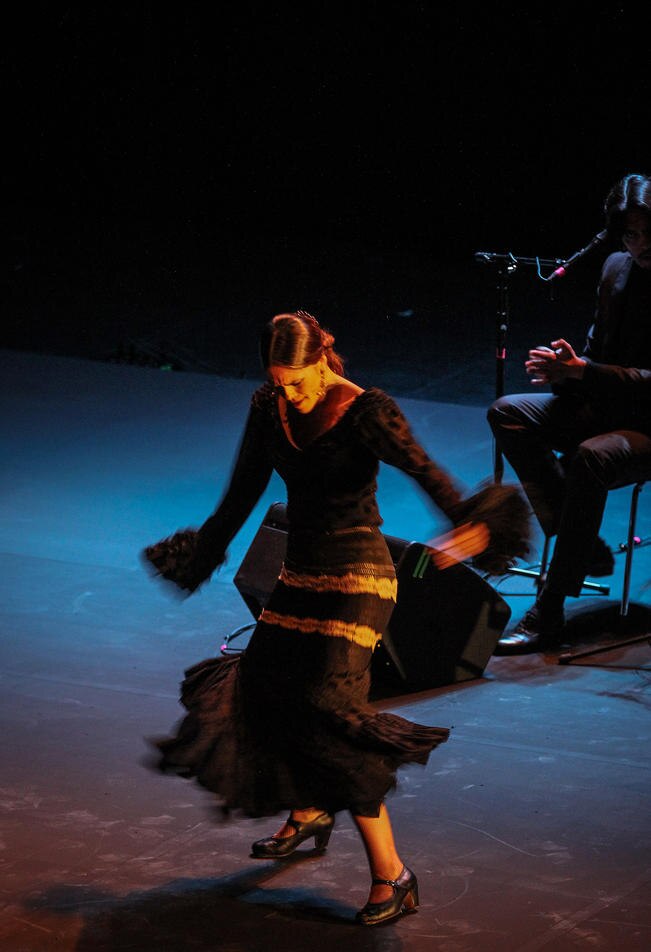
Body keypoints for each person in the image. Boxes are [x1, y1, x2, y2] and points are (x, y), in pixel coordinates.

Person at [143, 310, 530, 926]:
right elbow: (241, 492)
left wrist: (473, 523)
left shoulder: (364, 409)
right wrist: (201, 554)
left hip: (360, 580)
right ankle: (310, 810)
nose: (288, 393)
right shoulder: (269, 405)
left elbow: (425, 469)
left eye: (296, 381)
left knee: (329, 710)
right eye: (278, 381)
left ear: (322, 359)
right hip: (300, 574)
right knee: (265, 687)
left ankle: (392, 875)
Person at [488, 172, 651, 654]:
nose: (640, 244)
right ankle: (583, 545)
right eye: (631, 234)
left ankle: (551, 608)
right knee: (508, 412)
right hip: (603, 405)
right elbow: (597, 349)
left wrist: (587, 372)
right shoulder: (616, 269)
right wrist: (564, 368)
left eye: (649, 232)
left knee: (590, 458)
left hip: (648, 424)